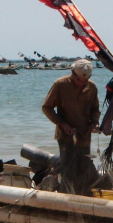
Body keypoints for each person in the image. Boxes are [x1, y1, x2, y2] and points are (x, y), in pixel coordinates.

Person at [41, 58, 100, 195]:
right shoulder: (60, 85)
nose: (81, 83)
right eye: (78, 80)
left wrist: (95, 123)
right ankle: (66, 202)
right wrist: (62, 124)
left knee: (84, 170)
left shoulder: (92, 88)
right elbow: (47, 107)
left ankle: (82, 201)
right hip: (65, 136)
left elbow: (95, 110)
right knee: (69, 171)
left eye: (84, 81)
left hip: (84, 136)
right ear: (73, 73)